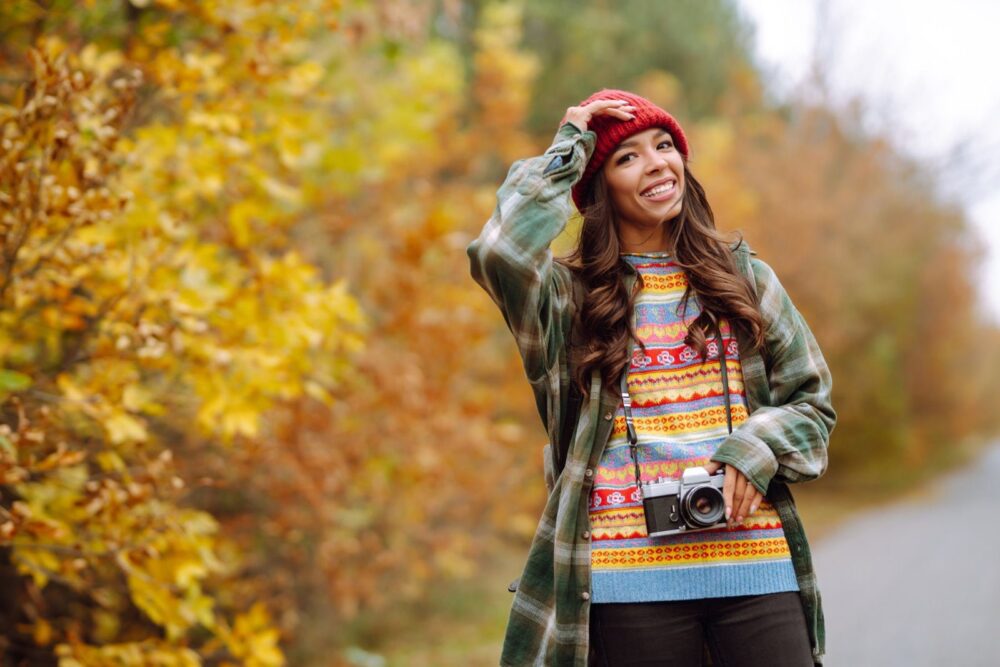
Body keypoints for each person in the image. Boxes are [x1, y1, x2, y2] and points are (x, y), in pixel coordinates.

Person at [467, 88, 836, 667]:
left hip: (755, 564)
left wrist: (754, 449)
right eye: (627, 157)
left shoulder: (745, 279)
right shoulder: (569, 300)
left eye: (664, 146)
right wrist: (568, 149)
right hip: (628, 582)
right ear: (598, 188)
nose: (657, 163)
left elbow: (812, 401)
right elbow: (500, 252)